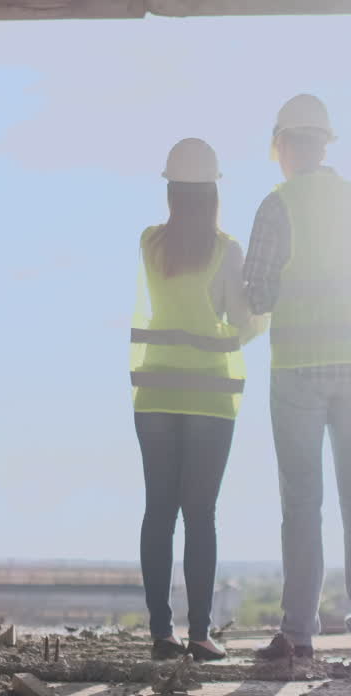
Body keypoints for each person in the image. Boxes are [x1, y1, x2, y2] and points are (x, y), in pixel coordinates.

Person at [245, 95, 351, 665]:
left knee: (302, 502)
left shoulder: (278, 204)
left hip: (298, 371)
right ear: (327, 144)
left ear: (284, 145)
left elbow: (258, 293)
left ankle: (298, 635)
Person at [130, 138, 264, 662]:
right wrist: (261, 313)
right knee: (200, 514)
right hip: (210, 399)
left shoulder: (149, 243)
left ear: (171, 191)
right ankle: (200, 634)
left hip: (155, 392)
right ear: (212, 193)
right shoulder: (226, 249)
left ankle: (161, 633)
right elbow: (243, 323)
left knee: (158, 510)